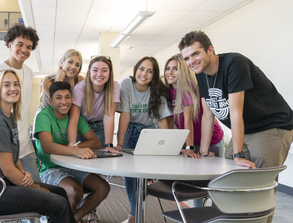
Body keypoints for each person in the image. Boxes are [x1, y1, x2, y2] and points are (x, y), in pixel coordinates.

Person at [179, 30, 293, 222]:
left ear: (210, 49)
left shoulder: (234, 63)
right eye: (187, 58)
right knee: (227, 184)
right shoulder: (201, 74)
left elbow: (235, 111)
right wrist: (204, 153)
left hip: (271, 127)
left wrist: (237, 154)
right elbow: (208, 115)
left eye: (195, 54)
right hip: (245, 130)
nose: (191, 61)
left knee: (261, 189)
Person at [0, 69, 75, 223]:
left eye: (16, 84)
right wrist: (36, 188)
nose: (13, 88)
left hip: (1, 184)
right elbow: (9, 170)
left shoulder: (8, 116)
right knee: (59, 204)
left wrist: (24, 173)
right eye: (7, 85)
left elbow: (12, 155)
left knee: (60, 193)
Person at [34, 81, 110, 223]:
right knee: (75, 191)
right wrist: (74, 151)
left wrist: (75, 149)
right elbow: (47, 147)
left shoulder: (74, 117)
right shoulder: (43, 115)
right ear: (51, 101)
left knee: (103, 187)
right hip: (48, 168)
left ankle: (71, 219)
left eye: (68, 97)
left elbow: (96, 142)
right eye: (58, 97)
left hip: (71, 166)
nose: (64, 101)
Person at [115, 56, 173, 223]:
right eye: (141, 69)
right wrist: (119, 144)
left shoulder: (159, 89)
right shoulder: (127, 83)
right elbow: (125, 115)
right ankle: (134, 215)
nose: (144, 74)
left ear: (154, 75)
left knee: (142, 176)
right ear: (136, 69)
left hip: (149, 133)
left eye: (150, 71)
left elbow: (162, 120)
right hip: (129, 130)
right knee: (129, 176)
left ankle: (134, 215)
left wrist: (168, 145)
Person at [0, 24, 41, 182]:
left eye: (29, 47)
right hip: (4, 146)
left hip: (25, 146)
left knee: (36, 186)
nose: (24, 50)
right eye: (20, 44)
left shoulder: (29, 72)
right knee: (16, 192)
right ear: (10, 45)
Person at [164, 53, 224, 158]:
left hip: (211, 141)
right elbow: (169, 120)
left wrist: (189, 148)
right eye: (167, 68)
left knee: (212, 174)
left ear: (183, 71)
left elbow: (189, 119)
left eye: (175, 69)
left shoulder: (188, 87)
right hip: (190, 140)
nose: (170, 72)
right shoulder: (166, 90)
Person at [68, 56, 120, 153]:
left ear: (109, 73)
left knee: (100, 160)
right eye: (95, 70)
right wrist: (72, 144)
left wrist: (109, 145)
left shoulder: (114, 86)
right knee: (80, 159)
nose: (99, 74)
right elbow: (74, 120)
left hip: (101, 127)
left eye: (104, 70)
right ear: (89, 72)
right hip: (82, 126)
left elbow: (109, 116)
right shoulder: (80, 88)